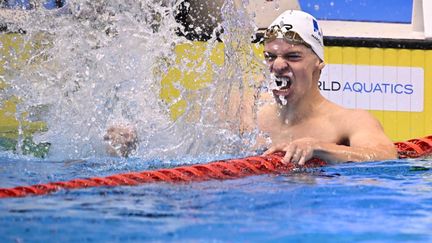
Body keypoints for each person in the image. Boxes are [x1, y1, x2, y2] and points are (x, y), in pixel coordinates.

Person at [105, 10, 398, 163]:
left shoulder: (349, 121)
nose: (278, 66)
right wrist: (131, 146)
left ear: (317, 66)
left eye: (293, 57)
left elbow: (384, 157)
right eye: (271, 57)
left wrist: (320, 147)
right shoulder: (243, 110)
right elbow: (181, 154)